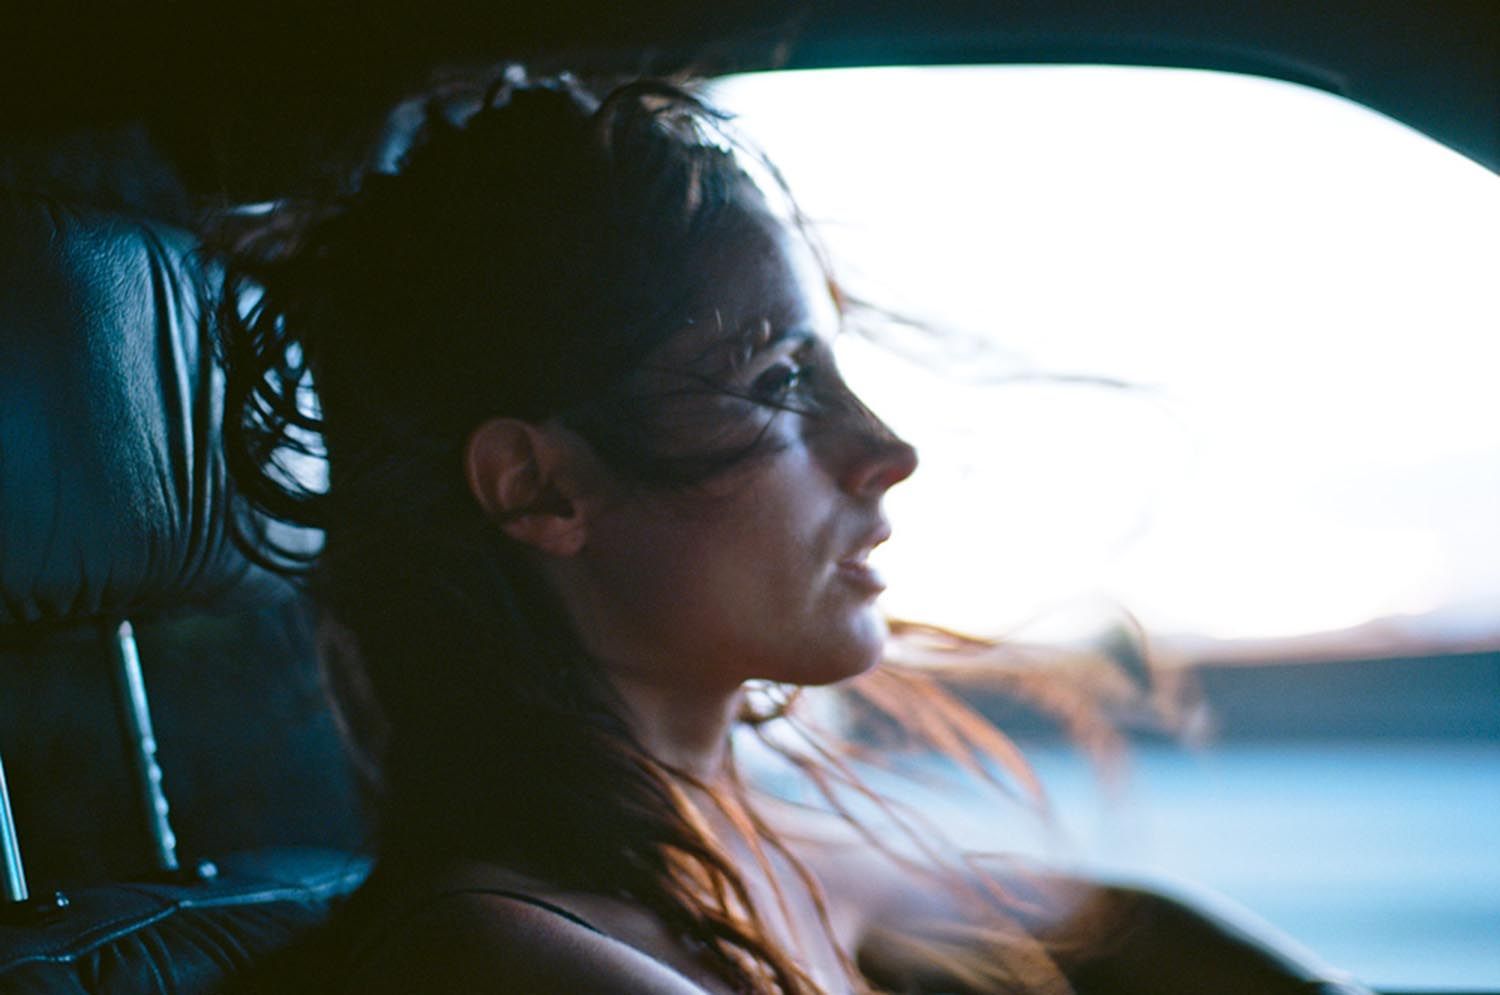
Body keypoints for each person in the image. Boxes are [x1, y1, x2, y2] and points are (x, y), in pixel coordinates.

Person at [216, 71, 1374, 995]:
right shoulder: (512, 956)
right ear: (542, 489)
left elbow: (1110, 924)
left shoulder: (763, 858)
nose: (884, 446)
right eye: (779, 380)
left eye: (837, 372)